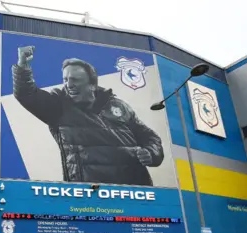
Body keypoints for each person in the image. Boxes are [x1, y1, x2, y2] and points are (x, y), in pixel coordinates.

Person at [12, 46, 164, 185]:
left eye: (75, 80)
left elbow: (151, 138)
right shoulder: (58, 105)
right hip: (89, 195)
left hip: (135, 192)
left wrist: (151, 153)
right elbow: (27, 94)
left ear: (92, 85)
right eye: (65, 80)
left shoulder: (119, 106)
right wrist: (23, 66)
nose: (69, 85)